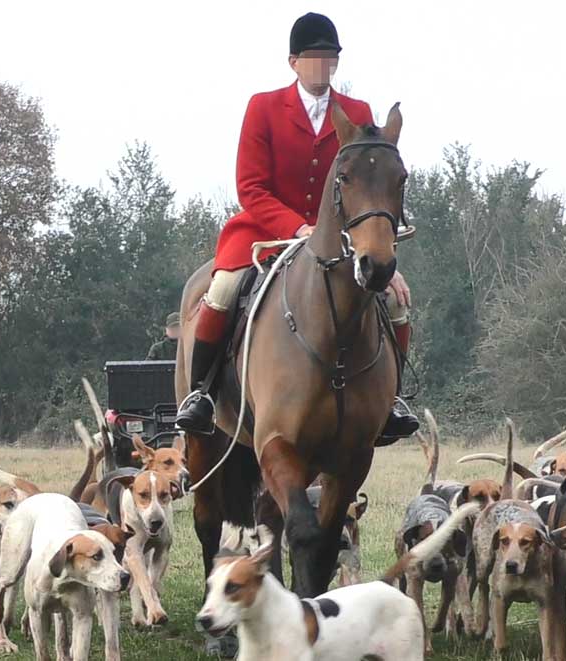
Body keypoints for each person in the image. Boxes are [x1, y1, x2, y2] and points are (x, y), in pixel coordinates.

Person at [176, 12, 418, 442]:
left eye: (331, 58)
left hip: (341, 239)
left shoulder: (358, 113)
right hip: (264, 230)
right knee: (222, 291)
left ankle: (393, 398)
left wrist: (377, 245)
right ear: (294, 62)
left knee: (396, 299)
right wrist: (297, 227)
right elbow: (250, 186)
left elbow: (373, 188)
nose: (323, 66)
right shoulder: (264, 107)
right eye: (314, 58)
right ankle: (203, 392)